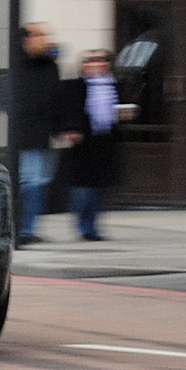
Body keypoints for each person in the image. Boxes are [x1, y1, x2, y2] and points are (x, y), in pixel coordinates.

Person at [56, 49, 129, 241]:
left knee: (98, 189)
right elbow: (67, 110)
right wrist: (70, 129)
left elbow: (122, 109)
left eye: (99, 59)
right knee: (83, 189)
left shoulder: (116, 85)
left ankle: (93, 227)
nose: (94, 63)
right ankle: (83, 226)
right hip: (82, 143)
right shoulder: (74, 85)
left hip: (105, 142)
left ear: (107, 63)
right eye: (89, 60)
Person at [8, 22, 69, 247]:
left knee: (41, 183)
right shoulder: (20, 64)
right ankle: (23, 230)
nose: (44, 39)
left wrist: (60, 127)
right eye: (39, 35)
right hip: (26, 134)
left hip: (44, 134)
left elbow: (57, 98)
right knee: (31, 183)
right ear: (26, 40)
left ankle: (29, 228)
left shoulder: (50, 65)